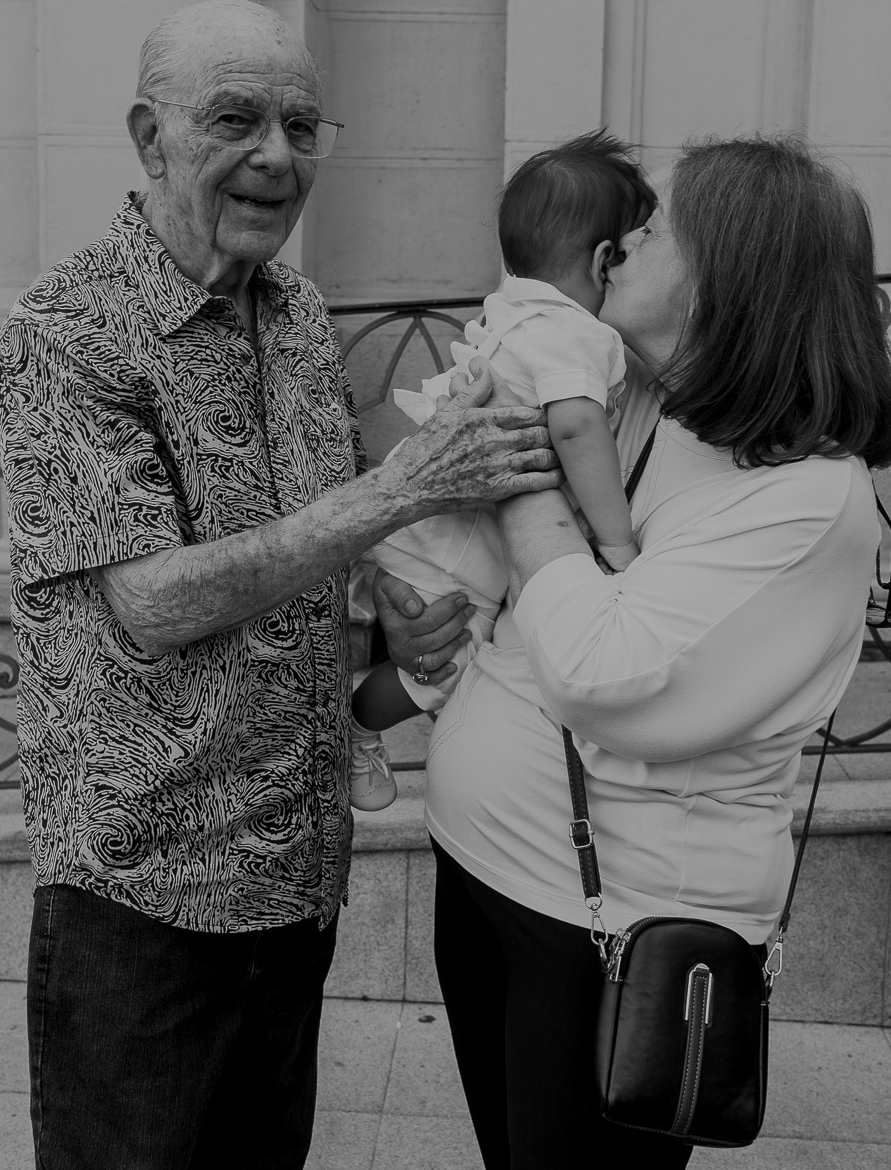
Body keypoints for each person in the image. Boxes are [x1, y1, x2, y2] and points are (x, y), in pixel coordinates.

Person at [0, 0, 559, 1170]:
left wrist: (383, 594)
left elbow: (314, 505)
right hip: (144, 898)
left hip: (296, 882)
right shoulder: (64, 333)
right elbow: (151, 601)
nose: (277, 156)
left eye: (302, 127)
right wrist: (399, 492)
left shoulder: (295, 309)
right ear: (150, 139)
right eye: (235, 120)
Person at [373, 134, 891, 1169]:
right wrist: (418, 607)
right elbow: (516, 583)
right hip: (488, 872)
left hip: (612, 930)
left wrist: (514, 467)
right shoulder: (645, 398)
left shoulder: (807, 501)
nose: (621, 243)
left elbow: (602, 672)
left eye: (654, 229)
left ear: (726, 280)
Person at [348, 131, 656, 811]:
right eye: (636, 250)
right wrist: (618, 542)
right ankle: (354, 728)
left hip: (429, 528)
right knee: (443, 665)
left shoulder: (516, 312)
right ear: (603, 260)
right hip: (451, 549)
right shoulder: (576, 332)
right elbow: (575, 429)